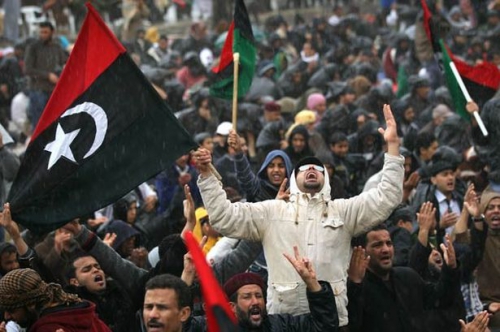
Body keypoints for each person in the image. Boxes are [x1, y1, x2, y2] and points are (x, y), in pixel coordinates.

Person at [193, 104, 404, 327]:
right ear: (294, 179)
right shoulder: (273, 211)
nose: (311, 169)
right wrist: (207, 176)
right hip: (284, 321)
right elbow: (224, 217)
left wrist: (392, 146)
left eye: (317, 168)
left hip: (331, 321)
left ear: (326, 179)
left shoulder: (344, 211)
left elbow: (388, 197)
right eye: (304, 168)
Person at [347, 226, 461, 332]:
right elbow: (352, 325)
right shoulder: (357, 289)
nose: (385, 249)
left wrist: (451, 268)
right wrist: (355, 285)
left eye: (389, 243)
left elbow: (441, 299)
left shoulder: (407, 277)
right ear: (362, 252)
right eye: (377, 245)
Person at [222, 246, 339, 331]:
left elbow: (324, 327)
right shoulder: (215, 328)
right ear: (232, 307)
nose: (255, 301)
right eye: (247, 297)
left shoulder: (280, 325)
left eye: (258, 296)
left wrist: (312, 283)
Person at [0, 268, 111, 331]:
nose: (7, 316)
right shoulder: (83, 312)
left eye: (12, 310)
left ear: (30, 304)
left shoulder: (47, 328)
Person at [24, 21, 67, 129]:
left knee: (56, 124)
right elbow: (28, 70)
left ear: (52, 32)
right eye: (41, 32)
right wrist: (47, 76)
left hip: (54, 91)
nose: (43, 35)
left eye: (46, 32)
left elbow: (65, 62)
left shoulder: (57, 47)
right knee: (39, 124)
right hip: (38, 89)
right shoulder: (33, 47)